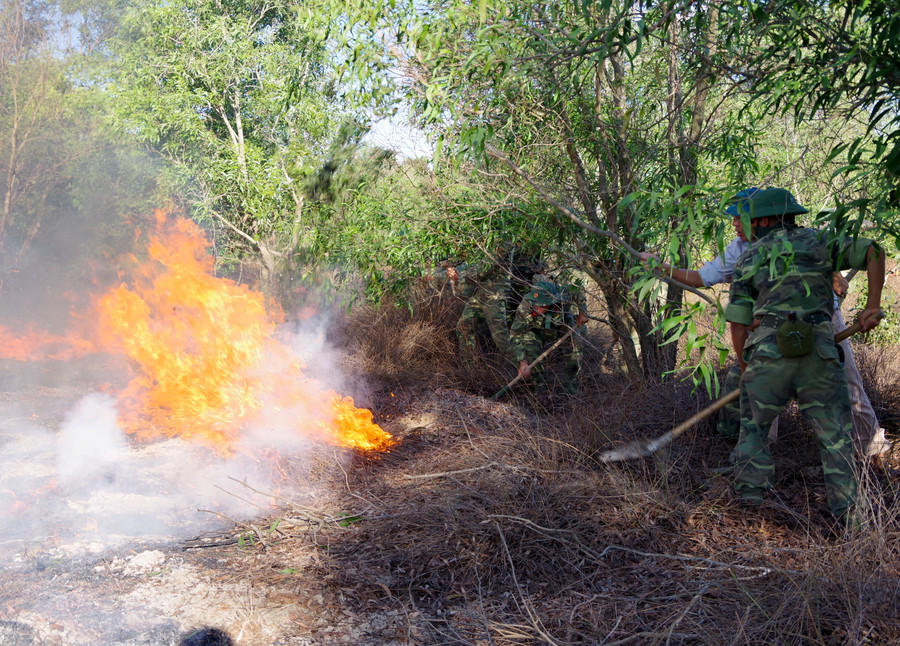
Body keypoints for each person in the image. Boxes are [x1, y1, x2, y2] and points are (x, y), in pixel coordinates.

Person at [638, 188, 891, 471]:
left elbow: (872, 250)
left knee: (848, 387)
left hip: (823, 325)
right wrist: (661, 267)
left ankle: (871, 455)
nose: (734, 224)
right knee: (760, 394)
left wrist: (872, 305)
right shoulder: (739, 249)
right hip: (766, 329)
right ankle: (754, 463)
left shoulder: (812, 240)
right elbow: (699, 278)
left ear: (765, 220)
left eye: (740, 218)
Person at [722, 187, 885, 525]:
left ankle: (749, 512)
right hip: (820, 355)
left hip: (767, 357)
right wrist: (872, 306)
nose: (741, 225)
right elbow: (873, 250)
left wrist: (743, 362)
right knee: (835, 438)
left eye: (747, 219)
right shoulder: (821, 241)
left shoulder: (750, 257)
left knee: (753, 430)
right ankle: (853, 520)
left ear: (764, 220)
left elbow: (738, 322)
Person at [456, 244, 542, 363]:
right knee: (464, 326)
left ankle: (526, 369)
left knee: (502, 340)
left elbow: (485, 267)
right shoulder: (485, 234)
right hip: (481, 292)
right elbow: (474, 260)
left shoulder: (503, 237)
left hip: (494, 295)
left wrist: (460, 275)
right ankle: (469, 369)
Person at [508, 278, 588, 392]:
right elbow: (515, 334)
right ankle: (540, 388)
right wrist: (523, 362)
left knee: (576, 348)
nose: (538, 308)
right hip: (537, 331)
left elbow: (577, 289)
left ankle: (570, 385)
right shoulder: (525, 307)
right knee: (530, 351)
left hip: (563, 325)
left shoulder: (562, 294)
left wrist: (583, 312)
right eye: (536, 304)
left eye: (542, 305)